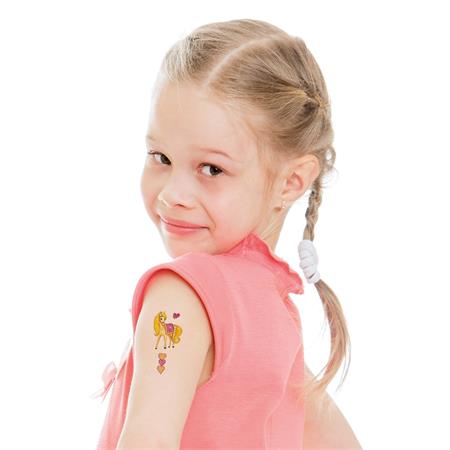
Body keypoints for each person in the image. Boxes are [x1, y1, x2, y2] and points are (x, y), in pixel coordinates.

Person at [92, 18, 362, 450]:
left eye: (211, 169)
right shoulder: (272, 309)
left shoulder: (181, 294)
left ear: (292, 181)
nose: (173, 194)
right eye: (160, 157)